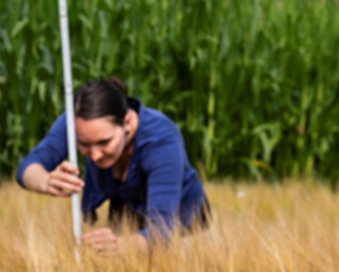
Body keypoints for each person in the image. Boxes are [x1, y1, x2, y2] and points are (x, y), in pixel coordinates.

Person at [15, 78, 210, 254]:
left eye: (104, 142)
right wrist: (46, 181)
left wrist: (120, 246)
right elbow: (27, 168)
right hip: (127, 224)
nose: (95, 155)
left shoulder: (160, 141)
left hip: (185, 229)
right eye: (84, 144)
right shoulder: (78, 120)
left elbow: (161, 233)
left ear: (127, 122)